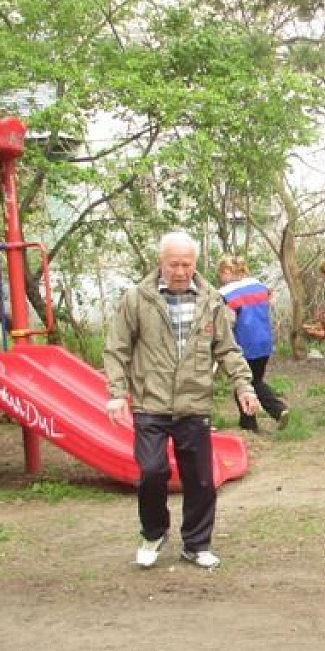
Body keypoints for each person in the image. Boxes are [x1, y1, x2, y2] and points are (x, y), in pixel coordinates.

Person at [104, 231, 260, 570]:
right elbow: (116, 349)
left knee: (201, 480)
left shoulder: (211, 300)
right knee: (151, 471)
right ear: (161, 262)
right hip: (151, 403)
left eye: (186, 264)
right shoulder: (137, 299)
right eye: (174, 264)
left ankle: (196, 543)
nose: (180, 271)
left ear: (195, 264)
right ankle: (154, 533)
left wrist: (244, 387)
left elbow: (228, 349)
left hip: (194, 403)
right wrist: (117, 394)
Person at [216, 256, 290, 432]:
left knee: (247, 382)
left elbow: (228, 323)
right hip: (264, 342)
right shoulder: (259, 287)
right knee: (254, 380)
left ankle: (275, 411)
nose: (220, 278)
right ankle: (248, 423)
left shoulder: (228, 294)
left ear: (227, 272)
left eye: (220, 274)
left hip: (245, 345)